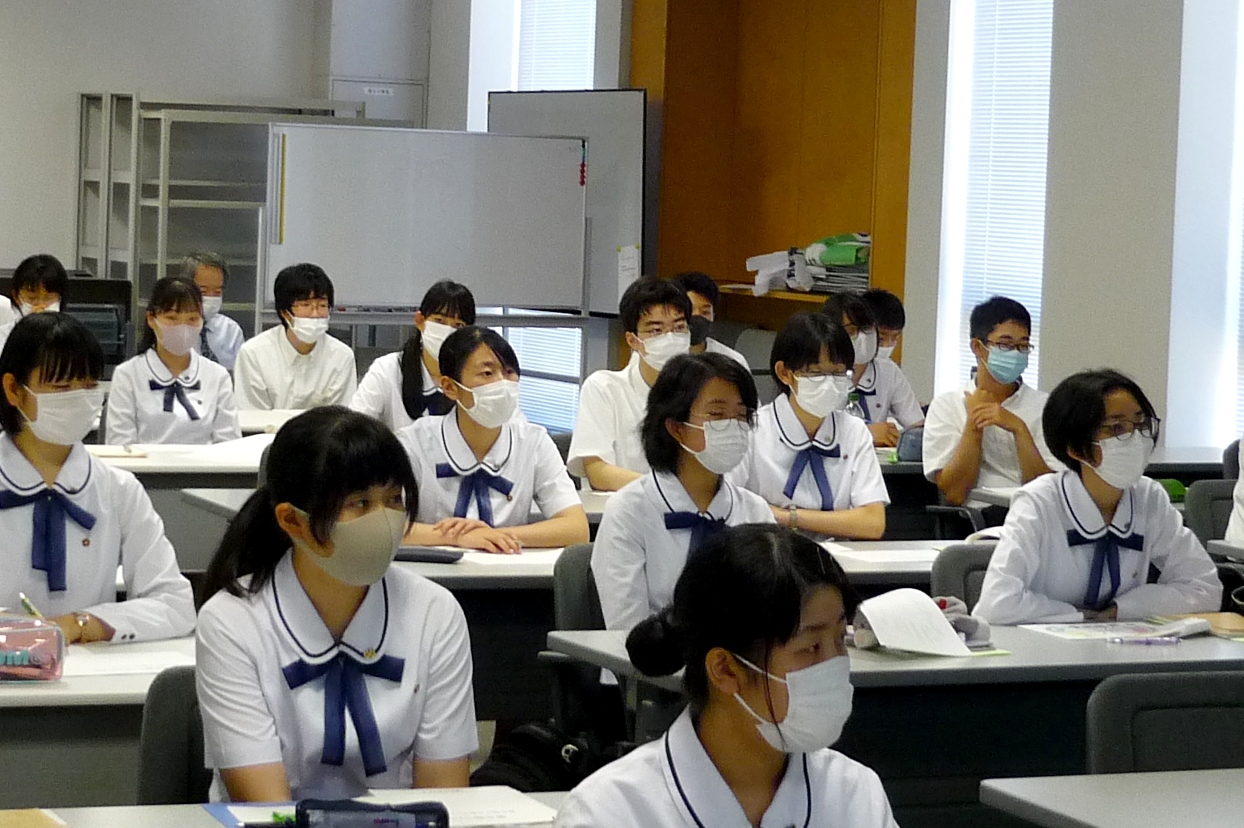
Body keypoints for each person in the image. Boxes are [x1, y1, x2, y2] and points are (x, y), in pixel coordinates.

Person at [196, 407, 477, 802]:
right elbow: (265, 806)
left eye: (394, 499)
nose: (384, 521)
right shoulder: (231, 620)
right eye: (359, 503)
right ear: (292, 521)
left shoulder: (435, 612)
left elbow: (444, 797)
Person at [557, 524, 898, 828]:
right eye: (810, 647)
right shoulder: (611, 813)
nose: (834, 664)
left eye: (839, 639)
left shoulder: (855, 795)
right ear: (725, 670)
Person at [0, 312, 195, 643]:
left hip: (90, 662)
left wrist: (78, 624)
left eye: (89, 386)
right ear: (14, 390)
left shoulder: (118, 489)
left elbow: (174, 604)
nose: (78, 399)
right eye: (61, 387)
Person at [973, 370, 1221, 625]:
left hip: (1122, 642)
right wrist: (1079, 615)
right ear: (1076, 448)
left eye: (1141, 425)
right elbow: (996, 604)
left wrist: (1121, 610)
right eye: (1117, 428)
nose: (1136, 438)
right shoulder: (1039, 502)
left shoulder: (1148, 497)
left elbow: (1204, 587)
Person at [592, 352, 775, 631]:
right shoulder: (629, 511)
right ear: (676, 427)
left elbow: (771, 616)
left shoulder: (755, 511)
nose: (734, 427)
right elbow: (628, 630)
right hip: (650, 656)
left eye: (741, 416)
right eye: (717, 415)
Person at [398, 326, 589, 552]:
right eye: (487, 374)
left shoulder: (533, 441)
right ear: (450, 387)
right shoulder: (414, 443)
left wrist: (495, 536)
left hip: (508, 570)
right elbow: (383, 526)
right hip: (432, 572)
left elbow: (576, 528)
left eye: (509, 372)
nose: (502, 383)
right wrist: (457, 537)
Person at [730, 312, 889, 540]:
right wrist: (840, 521)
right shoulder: (752, 429)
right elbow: (732, 506)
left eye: (838, 373)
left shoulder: (854, 430)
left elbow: (873, 522)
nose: (829, 383)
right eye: (816, 373)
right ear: (784, 373)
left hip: (836, 556)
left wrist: (786, 517)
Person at [922, 296, 1058, 506]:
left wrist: (1019, 429)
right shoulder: (947, 405)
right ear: (977, 347)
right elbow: (954, 494)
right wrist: (974, 424)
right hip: (979, 517)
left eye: (1023, 346)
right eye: (1005, 345)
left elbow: (1049, 494)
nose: (1015, 353)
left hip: (1032, 513)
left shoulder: (1046, 406)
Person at [568, 278, 694, 491]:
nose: (670, 338)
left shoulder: (704, 391)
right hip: (623, 506)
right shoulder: (604, 388)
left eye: (679, 327)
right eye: (656, 330)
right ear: (632, 340)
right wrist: (667, 491)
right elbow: (598, 472)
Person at [106, 276, 240, 445]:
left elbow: (229, 444)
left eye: (192, 319)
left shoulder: (218, 376)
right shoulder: (128, 374)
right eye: (172, 318)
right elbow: (120, 445)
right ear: (151, 319)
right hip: (144, 462)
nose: (182, 327)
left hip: (204, 462)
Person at [351, 280, 475, 431]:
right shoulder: (387, 370)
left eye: (458, 325)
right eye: (439, 321)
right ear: (420, 321)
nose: (448, 331)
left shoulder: (476, 378)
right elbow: (353, 429)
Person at [233, 263, 358, 410]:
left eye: (322, 305)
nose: (315, 314)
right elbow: (252, 415)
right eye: (305, 305)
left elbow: (340, 417)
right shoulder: (254, 354)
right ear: (285, 313)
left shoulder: (341, 356)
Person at [821, 291, 922, 448]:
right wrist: (865, 433)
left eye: (867, 330)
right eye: (852, 332)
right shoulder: (816, 373)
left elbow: (916, 425)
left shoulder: (889, 370)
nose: (863, 338)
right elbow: (812, 431)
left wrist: (905, 439)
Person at [181, 251, 246, 372]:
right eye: (203, 291)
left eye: (217, 292)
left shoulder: (230, 330)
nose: (210, 297)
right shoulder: (172, 329)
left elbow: (242, 375)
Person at [671, 271, 749, 369]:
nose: (697, 317)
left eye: (705, 312)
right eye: (690, 310)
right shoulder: (658, 356)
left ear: (713, 315)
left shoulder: (732, 360)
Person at [0, 254, 69, 355]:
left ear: (61, 298)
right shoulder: (2, 339)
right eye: (32, 298)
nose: (41, 306)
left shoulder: (75, 339)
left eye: (49, 298)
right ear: (16, 296)